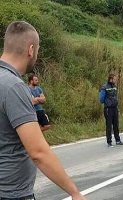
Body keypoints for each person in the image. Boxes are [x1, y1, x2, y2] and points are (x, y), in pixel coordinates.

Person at [0, 21, 85, 199]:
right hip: (12, 193)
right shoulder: (14, 87)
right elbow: (38, 152)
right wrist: (74, 193)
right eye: (37, 50)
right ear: (31, 50)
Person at [99, 73, 123, 147]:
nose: (115, 80)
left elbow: (115, 97)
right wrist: (107, 103)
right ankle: (109, 142)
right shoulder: (104, 87)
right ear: (111, 79)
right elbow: (101, 99)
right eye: (114, 79)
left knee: (116, 124)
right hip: (108, 109)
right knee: (109, 125)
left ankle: (118, 140)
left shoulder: (115, 87)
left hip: (115, 108)